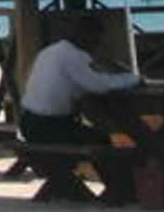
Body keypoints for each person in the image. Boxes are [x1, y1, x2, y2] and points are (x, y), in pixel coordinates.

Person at [19, 15, 138, 146]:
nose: (97, 45)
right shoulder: (73, 55)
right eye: (97, 40)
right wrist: (133, 79)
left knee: (93, 131)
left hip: (28, 122)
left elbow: (80, 85)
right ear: (87, 36)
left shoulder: (49, 51)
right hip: (47, 126)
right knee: (103, 140)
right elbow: (99, 85)